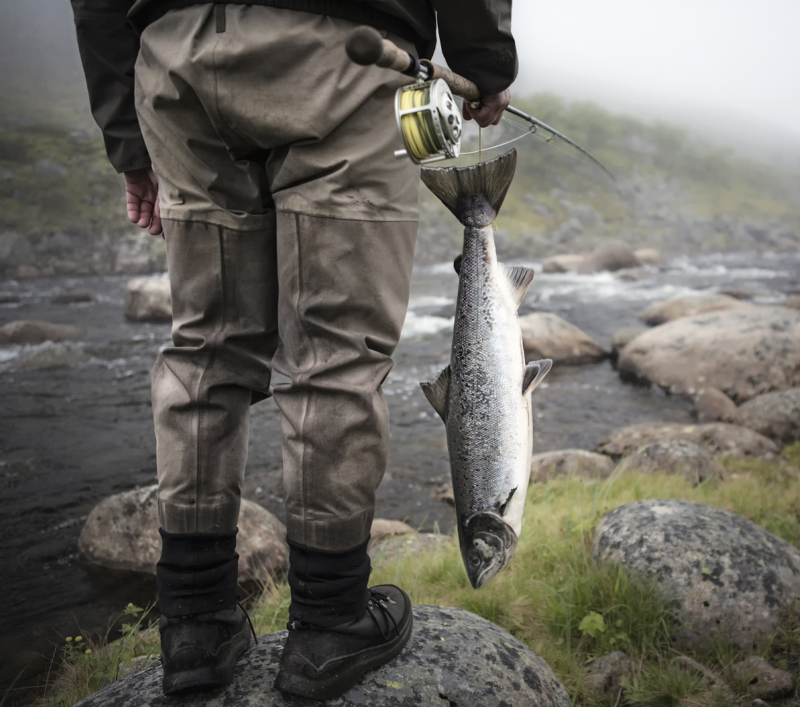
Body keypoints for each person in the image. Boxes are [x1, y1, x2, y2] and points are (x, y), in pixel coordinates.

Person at [70, 0, 516, 699]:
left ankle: (193, 624)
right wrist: (486, 62)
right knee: (336, 355)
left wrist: (129, 140)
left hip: (174, 59)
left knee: (205, 348)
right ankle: (331, 618)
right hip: (351, 51)